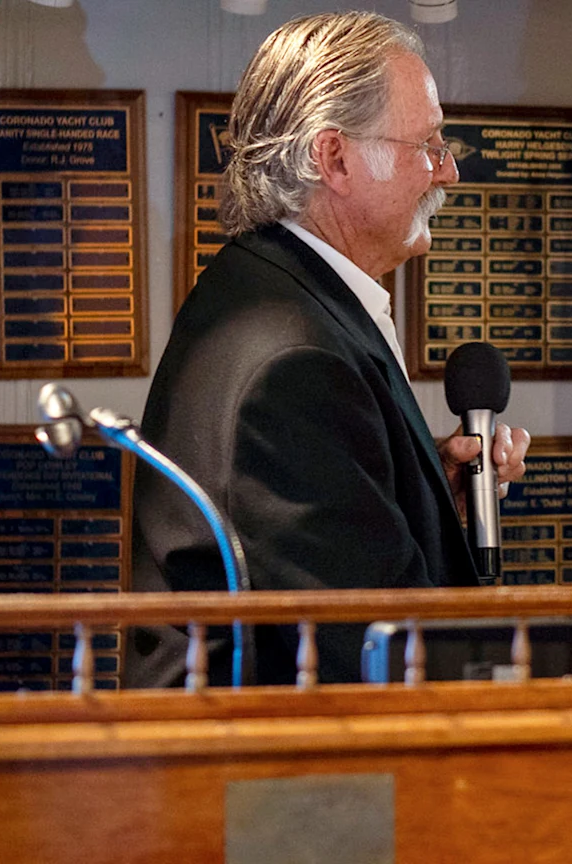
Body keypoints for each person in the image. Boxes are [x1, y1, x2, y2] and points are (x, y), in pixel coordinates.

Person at [129, 11, 529, 687]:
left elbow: (325, 554)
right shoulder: (290, 357)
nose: (449, 172)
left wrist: (429, 503)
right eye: (429, 144)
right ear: (334, 157)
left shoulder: (279, 293)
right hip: (284, 783)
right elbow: (369, 643)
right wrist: (547, 671)